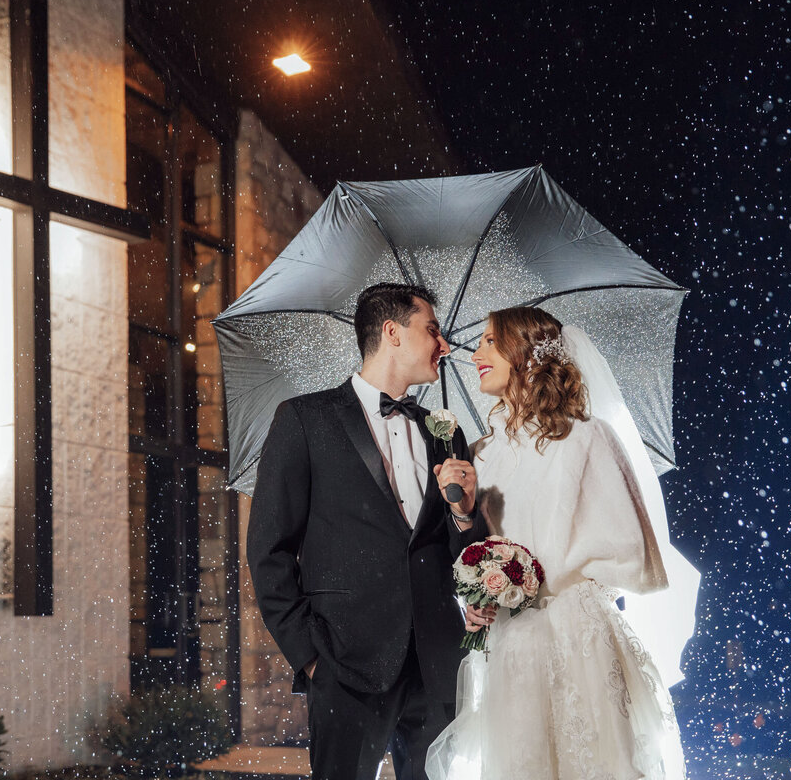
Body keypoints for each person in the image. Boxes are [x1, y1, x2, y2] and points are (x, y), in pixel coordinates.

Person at [427, 306, 687, 780]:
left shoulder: (587, 438)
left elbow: (628, 548)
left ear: (523, 352)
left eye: (489, 341)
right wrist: (476, 555)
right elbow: (481, 547)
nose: (475, 354)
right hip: (511, 643)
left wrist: (540, 575)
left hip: (576, 637)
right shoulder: (481, 454)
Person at [248, 283, 493, 780]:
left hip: (436, 663)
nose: (444, 345)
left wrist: (465, 515)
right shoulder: (304, 420)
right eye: (432, 330)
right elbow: (268, 549)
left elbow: (466, 553)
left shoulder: (446, 432)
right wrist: (311, 656)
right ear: (392, 332)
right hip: (344, 663)